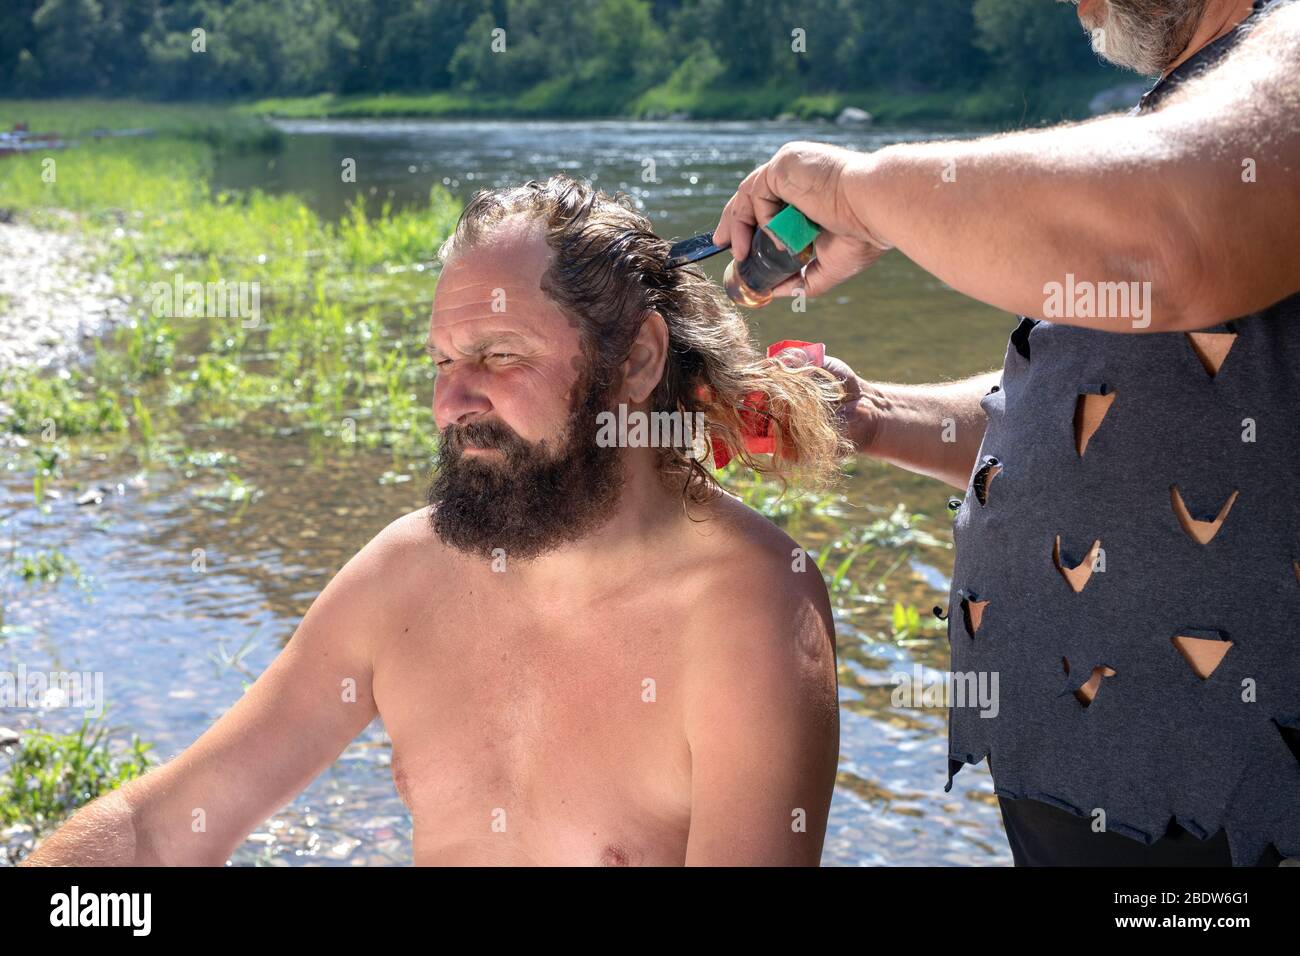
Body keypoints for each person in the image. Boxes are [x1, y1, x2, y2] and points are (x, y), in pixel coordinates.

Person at [22, 175, 846, 867]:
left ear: (635, 360)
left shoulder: (752, 613)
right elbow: (155, 834)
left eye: (498, 356)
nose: (452, 401)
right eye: (444, 362)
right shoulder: (407, 575)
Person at [713, 0, 1300, 865]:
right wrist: (874, 417)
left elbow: (1168, 238)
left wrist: (856, 193)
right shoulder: (1176, 125)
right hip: (1084, 805)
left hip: (1249, 811)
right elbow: (1097, 414)